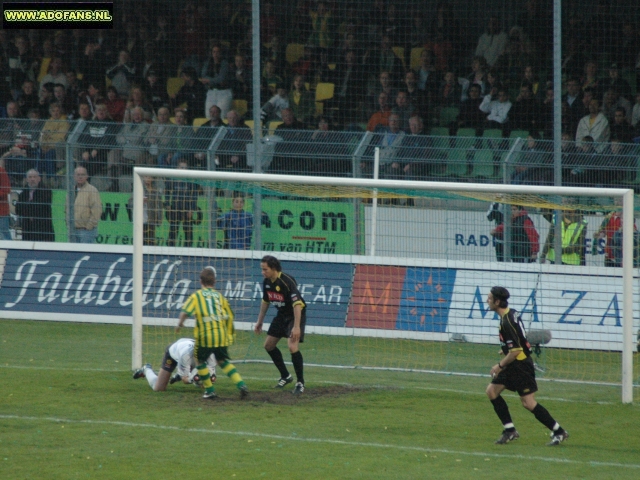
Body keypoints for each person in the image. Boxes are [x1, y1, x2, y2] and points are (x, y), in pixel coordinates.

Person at [486, 286, 569, 446]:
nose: (487, 301)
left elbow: (516, 351)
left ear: (497, 301)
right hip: (514, 363)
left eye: (489, 298)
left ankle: (559, 431)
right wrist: (505, 349)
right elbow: (519, 339)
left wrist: (499, 366)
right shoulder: (512, 313)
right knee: (492, 391)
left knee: (528, 403)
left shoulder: (506, 322)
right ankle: (510, 430)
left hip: (520, 366)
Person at [175, 266, 249, 400]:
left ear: (200, 281)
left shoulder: (197, 296)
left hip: (205, 335)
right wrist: (230, 334)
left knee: (199, 361)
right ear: (214, 282)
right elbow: (230, 315)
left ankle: (209, 390)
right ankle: (241, 384)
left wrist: (180, 324)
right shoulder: (220, 297)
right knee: (222, 361)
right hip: (221, 335)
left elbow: (185, 312)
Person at [254, 255, 307, 395]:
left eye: (265, 269)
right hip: (282, 315)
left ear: (274, 268)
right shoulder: (266, 282)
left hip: (295, 315)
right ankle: (285, 376)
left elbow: (297, 305)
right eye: (262, 269)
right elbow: (265, 301)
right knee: (268, 345)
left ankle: (300, 382)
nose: (263, 272)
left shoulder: (287, 282)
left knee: (292, 346)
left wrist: (296, 327)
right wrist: (260, 321)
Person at [132, 337, 216, 392]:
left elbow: (211, 376)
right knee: (159, 388)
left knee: (202, 378)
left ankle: (178, 375)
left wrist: (207, 379)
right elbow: (185, 380)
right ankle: (147, 369)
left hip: (186, 344)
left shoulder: (211, 356)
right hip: (173, 352)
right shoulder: (185, 356)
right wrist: (192, 379)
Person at [165, 159, 198, 247]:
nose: (183, 169)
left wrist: (192, 209)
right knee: (173, 229)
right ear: (177, 168)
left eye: (185, 168)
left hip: (187, 209)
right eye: (181, 167)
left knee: (188, 230)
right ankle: (170, 248)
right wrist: (167, 204)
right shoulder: (173, 180)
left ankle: (188, 249)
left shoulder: (191, 181)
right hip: (175, 208)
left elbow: (194, 196)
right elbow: (167, 192)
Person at [15, 169, 54, 241]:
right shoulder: (23, 193)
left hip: (43, 229)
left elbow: (41, 208)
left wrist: (28, 205)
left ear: (39, 179)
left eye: (34, 177)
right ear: (26, 179)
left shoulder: (46, 191)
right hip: (28, 229)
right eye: (30, 177)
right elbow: (18, 210)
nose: (32, 179)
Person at [71, 165, 102, 244]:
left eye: (83, 175)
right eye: (78, 175)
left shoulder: (92, 190)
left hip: (86, 231)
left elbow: (97, 210)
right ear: (74, 176)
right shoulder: (70, 190)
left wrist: (89, 227)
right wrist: (69, 225)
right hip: (73, 230)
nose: (80, 177)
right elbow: (67, 209)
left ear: (87, 176)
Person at [0, 158, 10, 240]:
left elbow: (6, 190)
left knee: (3, 233)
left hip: (1, 212)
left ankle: (11, 251)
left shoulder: (1, 172)